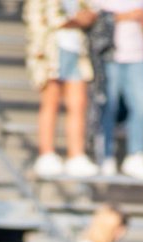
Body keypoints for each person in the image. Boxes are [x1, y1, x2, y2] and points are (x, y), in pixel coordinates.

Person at [23, 0, 99, 179]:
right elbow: (37, 18)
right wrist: (72, 20)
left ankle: (76, 154)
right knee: (51, 102)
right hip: (50, 50)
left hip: (77, 49)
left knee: (78, 104)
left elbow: (90, 11)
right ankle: (46, 152)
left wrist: (87, 17)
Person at [93, 0, 143, 179]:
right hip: (110, 55)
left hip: (138, 55)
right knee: (108, 105)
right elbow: (97, 18)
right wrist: (128, 16)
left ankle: (136, 154)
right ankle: (105, 155)